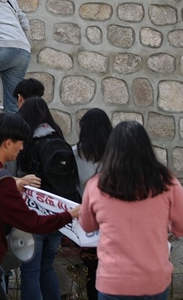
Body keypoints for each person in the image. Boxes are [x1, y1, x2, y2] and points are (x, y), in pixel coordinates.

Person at [0, 112, 79, 300]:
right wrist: (70, 214)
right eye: (20, 142)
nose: (22, 148)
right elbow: (33, 223)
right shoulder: (1, 180)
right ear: (8, 143)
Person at [79, 121, 183, 300]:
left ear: (111, 150)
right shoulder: (166, 182)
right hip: (154, 280)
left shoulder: (96, 185)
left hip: (112, 281)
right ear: (147, 149)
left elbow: (87, 225)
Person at [15, 96, 76, 300]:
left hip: (34, 215)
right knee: (47, 268)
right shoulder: (58, 138)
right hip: (59, 215)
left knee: (30, 272)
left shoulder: (25, 142)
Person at [72, 108, 113, 300]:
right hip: (115, 220)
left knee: (92, 270)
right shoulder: (117, 153)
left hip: (87, 217)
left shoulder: (74, 153)